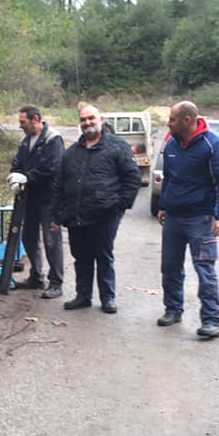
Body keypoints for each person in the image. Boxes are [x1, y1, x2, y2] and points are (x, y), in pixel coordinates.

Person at [51, 104, 141, 311]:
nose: (87, 123)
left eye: (91, 118)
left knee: (103, 254)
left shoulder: (117, 146)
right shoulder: (71, 152)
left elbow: (132, 177)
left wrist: (121, 204)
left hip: (106, 214)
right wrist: (56, 215)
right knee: (81, 256)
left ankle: (107, 298)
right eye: (83, 119)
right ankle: (83, 296)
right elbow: (59, 184)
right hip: (76, 214)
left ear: (101, 120)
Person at [156, 100, 219, 338]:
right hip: (174, 218)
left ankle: (211, 321)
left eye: (171, 119)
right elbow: (169, 177)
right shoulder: (171, 143)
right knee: (169, 268)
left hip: (201, 219)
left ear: (186, 120)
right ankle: (173, 310)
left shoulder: (212, 145)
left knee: (204, 270)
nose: (168, 123)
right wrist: (163, 205)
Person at [8, 105, 65, 299]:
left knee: (51, 240)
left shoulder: (52, 139)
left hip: (49, 198)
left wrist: (27, 177)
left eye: (23, 122)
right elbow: (17, 163)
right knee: (29, 237)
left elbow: (52, 168)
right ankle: (36, 277)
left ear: (36, 119)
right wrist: (14, 176)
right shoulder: (25, 141)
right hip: (29, 198)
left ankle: (56, 282)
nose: (20, 126)